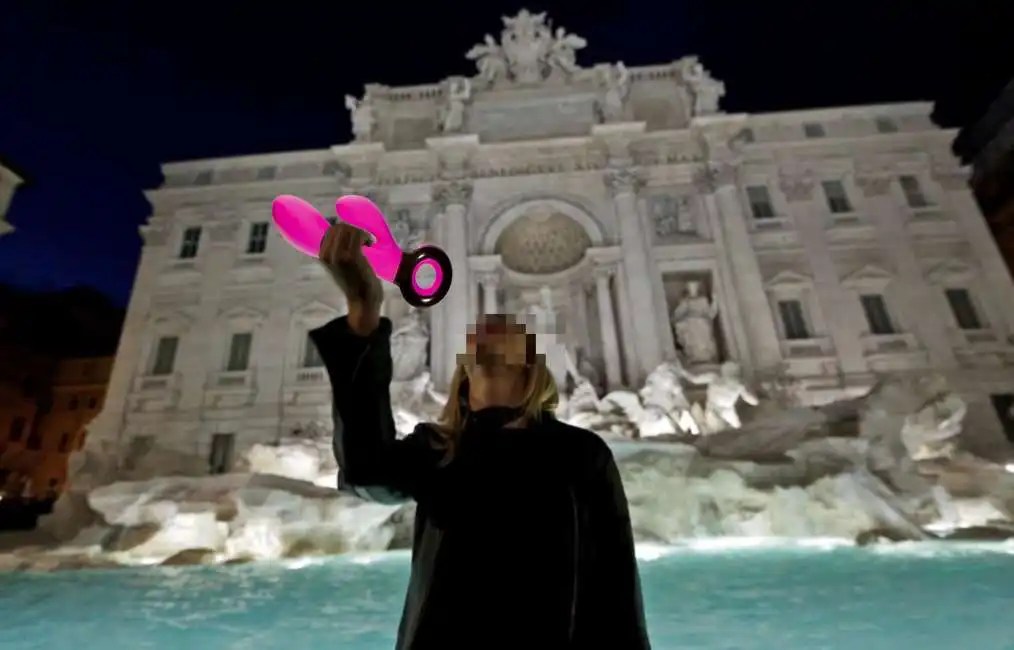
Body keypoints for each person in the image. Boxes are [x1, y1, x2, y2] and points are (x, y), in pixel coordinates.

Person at [309, 224, 651, 650]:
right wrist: (363, 312)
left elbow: (617, 594)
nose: (488, 339)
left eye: (506, 335)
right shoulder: (438, 449)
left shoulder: (581, 453)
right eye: (478, 342)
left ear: (533, 365)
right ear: (465, 374)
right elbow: (364, 470)